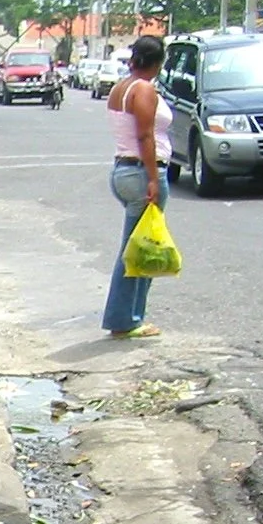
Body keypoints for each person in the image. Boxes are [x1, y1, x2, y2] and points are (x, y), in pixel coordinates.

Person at [103, 35, 171, 339]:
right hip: (140, 172)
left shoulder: (121, 88)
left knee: (136, 246)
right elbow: (145, 137)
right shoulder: (143, 89)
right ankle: (126, 318)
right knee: (139, 250)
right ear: (158, 62)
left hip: (124, 170)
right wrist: (154, 178)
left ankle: (129, 315)